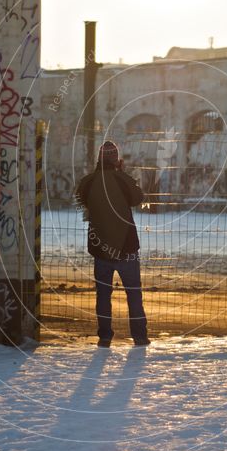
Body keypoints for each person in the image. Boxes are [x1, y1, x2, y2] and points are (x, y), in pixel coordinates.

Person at [76, 141, 150, 348]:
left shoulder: (88, 182)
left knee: (103, 295)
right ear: (116, 160)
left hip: (100, 249)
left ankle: (105, 337)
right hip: (126, 247)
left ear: (98, 159)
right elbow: (138, 198)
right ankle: (140, 336)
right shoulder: (122, 179)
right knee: (133, 294)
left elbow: (81, 199)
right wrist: (121, 172)